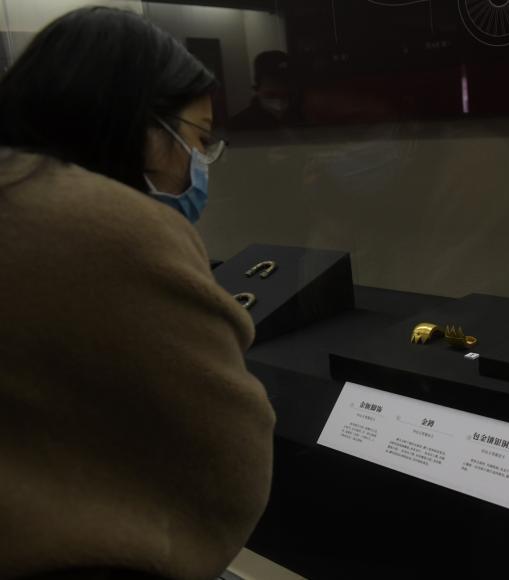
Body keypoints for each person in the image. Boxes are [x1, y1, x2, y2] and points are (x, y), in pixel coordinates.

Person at [0, 7, 275, 580]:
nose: (201, 162)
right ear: (141, 127)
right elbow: (229, 459)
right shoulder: (116, 227)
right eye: (199, 139)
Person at [228, 50, 298, 131]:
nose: (279, 104)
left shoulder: (300, 118)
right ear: (257, 89)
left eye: (285, 96)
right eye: (271, 95)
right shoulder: (238, 125)